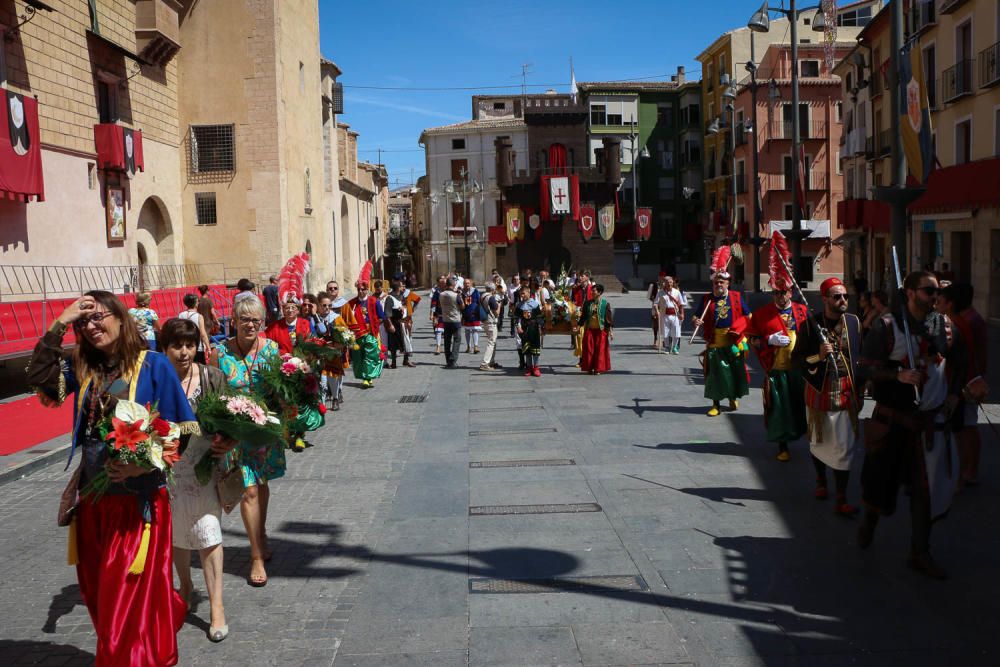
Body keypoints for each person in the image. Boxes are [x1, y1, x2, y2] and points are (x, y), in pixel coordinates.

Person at [26, 291, 196, 665]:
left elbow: (182, 430)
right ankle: (148, 632)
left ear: (121, 318)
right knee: (101, 597)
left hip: (138, 505)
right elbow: (39, 375)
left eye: (98, 316)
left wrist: (145, 465)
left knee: (122, 598)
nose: (90, 325)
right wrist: (60, 322)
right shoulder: (82, 368)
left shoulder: (152, 365)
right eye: (83, 321)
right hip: (93, 503)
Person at [857, 271, 966, 579]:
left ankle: (920, 552)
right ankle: (870, 520)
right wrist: (897, 376)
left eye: (937, 292)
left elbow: (961, 361)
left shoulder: (944, 328)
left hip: (928, 425)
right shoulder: (887, 327)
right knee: (880, 486)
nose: (934, 297)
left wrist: (957, 393)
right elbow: (864, 370)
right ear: (909, 293)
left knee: (924, 491)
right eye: (928, 291)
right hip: (892, 421)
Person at [161, 318, 237, 643]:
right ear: (163, 348)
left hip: (206, 470)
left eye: (189, 345)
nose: (184, 352)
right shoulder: (155, 381)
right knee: (177, 535)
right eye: (176, 345)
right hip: (168, 473)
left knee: (208, 532)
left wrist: (229, 441)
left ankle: (216, 606)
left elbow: (236, 416)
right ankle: (185, 586)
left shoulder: (212, 377)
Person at [215, 296, 284, 587]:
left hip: (264, 432)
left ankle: (262, 532)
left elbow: (281, 389)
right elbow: (213, 394)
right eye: (244, 319)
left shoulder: (271, 350)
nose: (250, 325)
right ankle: (255, 555)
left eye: (256, 320)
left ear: (262, 323)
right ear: (233, 321)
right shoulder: (220, 353)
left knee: (263, 484)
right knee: (249, 492)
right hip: (236, 435)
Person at [792, 278, 863, 515]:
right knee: (819, 443)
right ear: (825, 299)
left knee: (844, 447)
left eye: (845, 296)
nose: (843, 300)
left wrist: (862, 389)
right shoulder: (810, 326)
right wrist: (819, 356)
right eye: (837, 296)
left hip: (846, 392)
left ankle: (841, 497)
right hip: (819, 391)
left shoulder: (854, 323)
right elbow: (797, 361)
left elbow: (859, 360)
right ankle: (821, 480)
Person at [748, 280, 809, 462]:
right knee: (780, 408)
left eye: (784, 292)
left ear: (790, 292)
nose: (780, 296)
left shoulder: (802, 311)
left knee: (802, 405)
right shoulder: (762, 314)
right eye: (776, 293)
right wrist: (768, 340)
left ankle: (806, 436)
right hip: (777, 369)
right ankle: (783, 445)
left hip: (799, 369)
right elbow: (753, 340)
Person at [937, 283, 987, 489]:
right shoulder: (966, 319)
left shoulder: (963, 323)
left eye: (939, 300)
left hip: (964, 383)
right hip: (965, 381)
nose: (935, 304)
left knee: (964, 429)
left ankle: (966, 473)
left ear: (951, 303)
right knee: (964, 428)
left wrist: (970, 382)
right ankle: (967, 471)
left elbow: (969, 358)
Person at [692, 271, 749, 416]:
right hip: (715, 342)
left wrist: (739, 330)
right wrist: (695, 321)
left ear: (728, 283)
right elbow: (696, 315)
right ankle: (716, 405)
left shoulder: (736, 297)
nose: (718, 284)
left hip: (733, 342)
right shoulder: (707, 299)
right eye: (716, 282)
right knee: (714, 375)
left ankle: (732, 397)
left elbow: (748, 315)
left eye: (721, 282)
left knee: (733, 373)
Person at [347, 277, 385, 387]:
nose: (360, 291)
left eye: (363, 289)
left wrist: (374, 325)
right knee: (359, 356)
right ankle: (364, 376)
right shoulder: (352, 303)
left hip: (370, 333)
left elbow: (381, 317)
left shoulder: (374, 301)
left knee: (370, 355)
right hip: (357, 334)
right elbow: (348, 318)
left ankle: (368, 377)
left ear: (367, 290)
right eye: (358, 289)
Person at [578, 283, 613, 374]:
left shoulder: (605, 304)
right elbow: (583, 317)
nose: (592, 292)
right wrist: (578, 326)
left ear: (599, 292)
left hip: (601, 331)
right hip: (590, 329)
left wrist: (610, 331)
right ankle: (589, 368)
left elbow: (608, 319)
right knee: (589, 350)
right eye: (592, 291)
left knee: (600, 350)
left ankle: (598, 369)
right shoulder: (587, 303)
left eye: (594, 291)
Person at [516, 285, 544, 377]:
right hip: (524, 330)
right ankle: (529, 367)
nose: (522, 296)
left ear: (528, 293)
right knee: (527, 350)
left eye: (523, 294)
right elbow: (517, 318)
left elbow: (539, 317)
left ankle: (536, 367)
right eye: (521, 294)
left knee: (535, 350)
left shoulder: (535, 304)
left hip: (534, 329)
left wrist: (541, 328)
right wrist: (518, 327)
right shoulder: (519, 305)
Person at [178, 293, 212, 364]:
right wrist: (208, 348)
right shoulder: (199, 316)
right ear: (195, 303)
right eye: (197, 301)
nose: (198, 302)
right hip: (197, 347)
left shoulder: (180, 315)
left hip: (185, 346)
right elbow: (203, 334)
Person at [656, 276, 684, 355]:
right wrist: (657, 311)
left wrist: (681, 313)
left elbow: (681, 304)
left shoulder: (677, 292)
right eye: (667, 282)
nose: (669, 284)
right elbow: (655, 303)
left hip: (675, 314)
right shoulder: (660, 292)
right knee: (666, 332)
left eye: (671, 282)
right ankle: (667, 347)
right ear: (664, 283)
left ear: (673, 283)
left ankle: (675, 347)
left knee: (676, 331)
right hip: (665, 315)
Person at [439, 276, 463, 368]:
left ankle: (448, 360)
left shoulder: (441, 294)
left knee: (447, 341)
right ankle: (453, 359)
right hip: (455, 320)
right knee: (457, 339)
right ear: (454, 285)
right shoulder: (456, 295)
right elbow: (462, 306)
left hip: (446, 320)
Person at [479, 283, 502, 371]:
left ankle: (491, 361)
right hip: (491, 321)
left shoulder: (482, 295)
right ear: (493, 289)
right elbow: (497, 313)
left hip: (485, 321)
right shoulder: (491, 297)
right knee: (491, 342)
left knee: (493, 342)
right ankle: (484, 363)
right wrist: (499, 304)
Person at [384, 282, 407, 369]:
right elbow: (387, 313)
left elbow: (405, 305)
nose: (403, 287)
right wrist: (390, 325)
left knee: (405, 342)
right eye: (401, 286)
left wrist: (403, 308)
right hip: (394, 324)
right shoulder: (390, 298)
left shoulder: (402, 296)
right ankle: (394, 363)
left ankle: (406, 360)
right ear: (398, 287)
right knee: (393, 344)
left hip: (402, 323)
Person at [462, 280, 483, 353]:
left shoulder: (475, 291)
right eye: (465, 283)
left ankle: (476, 347)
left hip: (475, 313)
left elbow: (479, 302)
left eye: (468, 283)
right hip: (466, 314)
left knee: (475, 330)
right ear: (463, 284)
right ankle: (468, 346)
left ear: (470, 284)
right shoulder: (462, 292)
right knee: (467, 330)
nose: (467, 284)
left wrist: (479, 312)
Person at [429, 275, 446, 355]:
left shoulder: (451, 291)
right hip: (439, 314)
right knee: (438, 331)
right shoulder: (437, 292)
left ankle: (447, 347)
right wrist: (432, 314)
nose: (443, 285)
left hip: (449, 315)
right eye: (441, 284)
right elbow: (433, 304)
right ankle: (438, 347)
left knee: (447, 332)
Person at [648, 273, 664, 347]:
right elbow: (649, 296)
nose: (662, 278)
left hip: (665, 307)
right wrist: (654, 299)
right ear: (658, 277)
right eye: (660, 277)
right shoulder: (653, 285)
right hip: (656, 307)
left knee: (665, 324)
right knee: (655, 324)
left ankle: (664, 340)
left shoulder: (667, 286)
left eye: (663, 277)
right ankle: (655, 339)